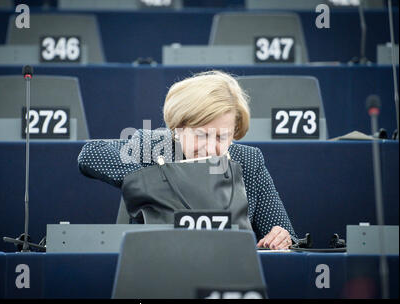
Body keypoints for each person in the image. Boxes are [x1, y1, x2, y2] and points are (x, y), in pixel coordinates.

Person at [78, 70, 298, 250]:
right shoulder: (154, 147)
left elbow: (289, 238)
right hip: (153, 268)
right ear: (178, 129)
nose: (211, 148)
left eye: (222, 136)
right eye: (201, 135)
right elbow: (91, 153)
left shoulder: (249, 161)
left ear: (235, 131)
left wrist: (282, 237)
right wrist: (156, 183)